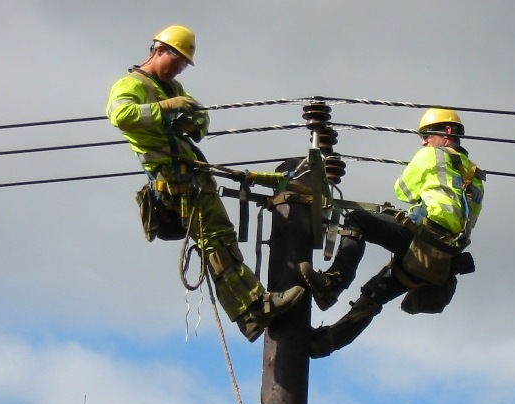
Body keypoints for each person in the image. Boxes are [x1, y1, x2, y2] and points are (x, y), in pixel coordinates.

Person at [106, 25, 304, 342]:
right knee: (216, 240)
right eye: (178, 60)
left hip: (192, 175)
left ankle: (251, 312)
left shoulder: (174, 87)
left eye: (184, 64)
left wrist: (190, 119)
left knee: (220, 240)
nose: (180, 68)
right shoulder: (131, 84)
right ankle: (254, 306)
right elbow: (120, 115)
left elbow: (201, 118)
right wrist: (164, 110)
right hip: (172, 179)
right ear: (159, 51)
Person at [298, 108, 486, 357]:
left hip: (424, 238)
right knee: (374, 295)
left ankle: (333, 284)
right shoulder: (476, 176)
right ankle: (325, 343)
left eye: (427, 135)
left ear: (447, 131)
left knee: (357, 220)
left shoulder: (431, 155)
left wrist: (423, 190)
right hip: (441, 258)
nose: (424, 141)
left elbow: (404, 191)